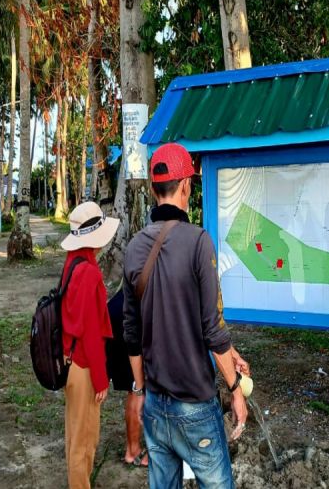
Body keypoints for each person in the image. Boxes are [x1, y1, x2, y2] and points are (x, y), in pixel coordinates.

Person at [123, 142, 250, 488]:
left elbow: (131, 334)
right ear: (186, 186)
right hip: (195, 404)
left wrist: (141, 390)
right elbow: (212, 328)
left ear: (154, 190)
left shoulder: (134, 248)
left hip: (155, 403)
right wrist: (235, 389)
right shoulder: (198, 242)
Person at [59, 201, 119, 489]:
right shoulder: (90, 273)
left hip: (70, 359)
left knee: (75, 434)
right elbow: (91, 332)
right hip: (83, 365)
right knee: (84, 441)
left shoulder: (73, 263)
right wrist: (100, 378)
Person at [106, 287, 149, 467]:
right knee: (138, 388)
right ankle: (133, 450)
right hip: (128, 318)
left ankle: (132, 448)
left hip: (120, 311)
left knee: (135, 388)